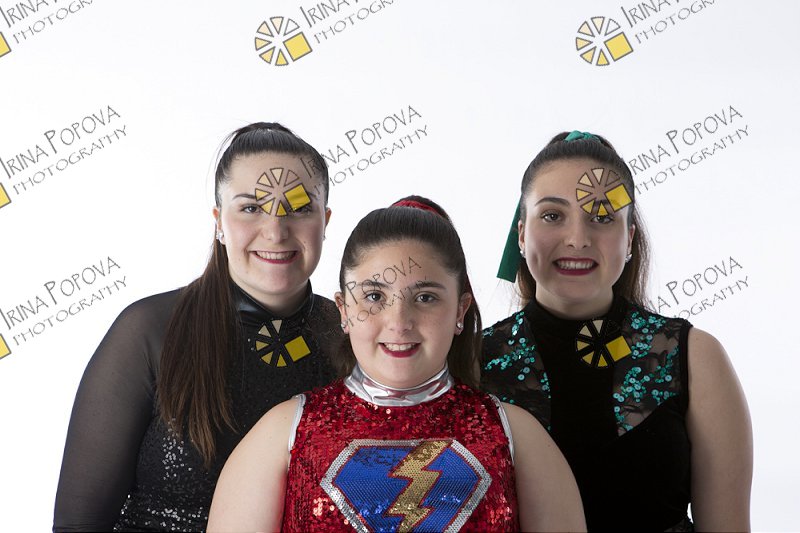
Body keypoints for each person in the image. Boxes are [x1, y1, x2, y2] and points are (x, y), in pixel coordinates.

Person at [207, 197, 586, 532]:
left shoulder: (517, 436)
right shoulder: (283, 435)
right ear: (344, 310)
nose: (399, 322)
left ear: (460, 310)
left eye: (425, 297)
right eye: (374, 296)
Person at [53, 122, 343, 531]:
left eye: (298, 208)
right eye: (251, 208)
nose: (276, 231)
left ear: (324, 221)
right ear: (219, 221)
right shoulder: (149, 332)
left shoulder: (351, 337)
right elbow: (77, 524)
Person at [481, 131, 753, 531]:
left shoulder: (693, 357)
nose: (578, 239)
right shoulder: (473, 362)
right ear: (521, 235)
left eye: (603, 217)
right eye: (553, 216)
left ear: (629, 239)